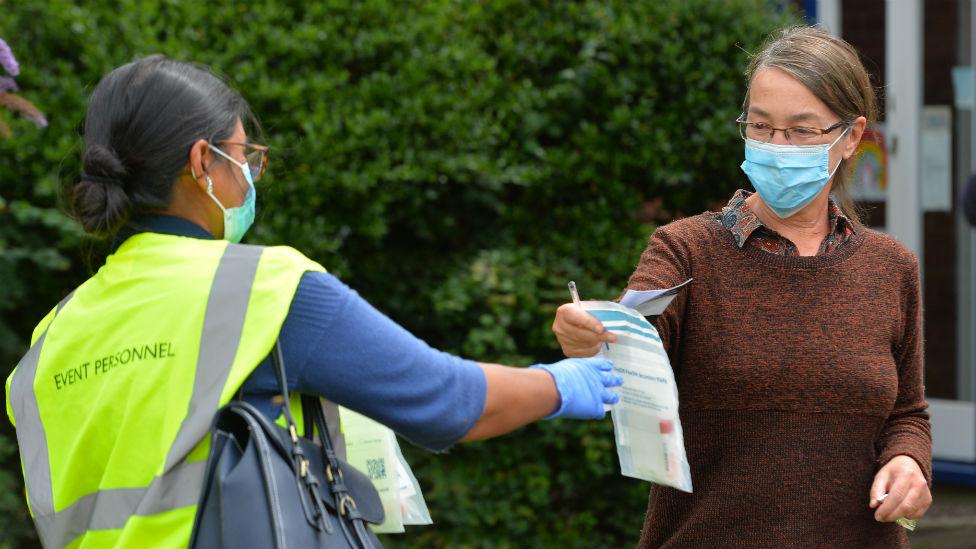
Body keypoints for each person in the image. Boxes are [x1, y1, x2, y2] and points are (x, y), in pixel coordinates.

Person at [4, 55, 623, 549]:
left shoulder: (48, 341)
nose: (251, 176)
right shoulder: (261, 288)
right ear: (203, 162)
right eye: (246, 157)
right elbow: (448, 402)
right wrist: (562, 383)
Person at [551, 26, 931, 548]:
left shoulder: (891, 268)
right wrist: (592, 340)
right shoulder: (684, 251)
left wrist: (909, 461)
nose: (777, 147)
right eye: (760, 126)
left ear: (851, 137)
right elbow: (627, 349)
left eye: (801, 131)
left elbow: (907, 413)